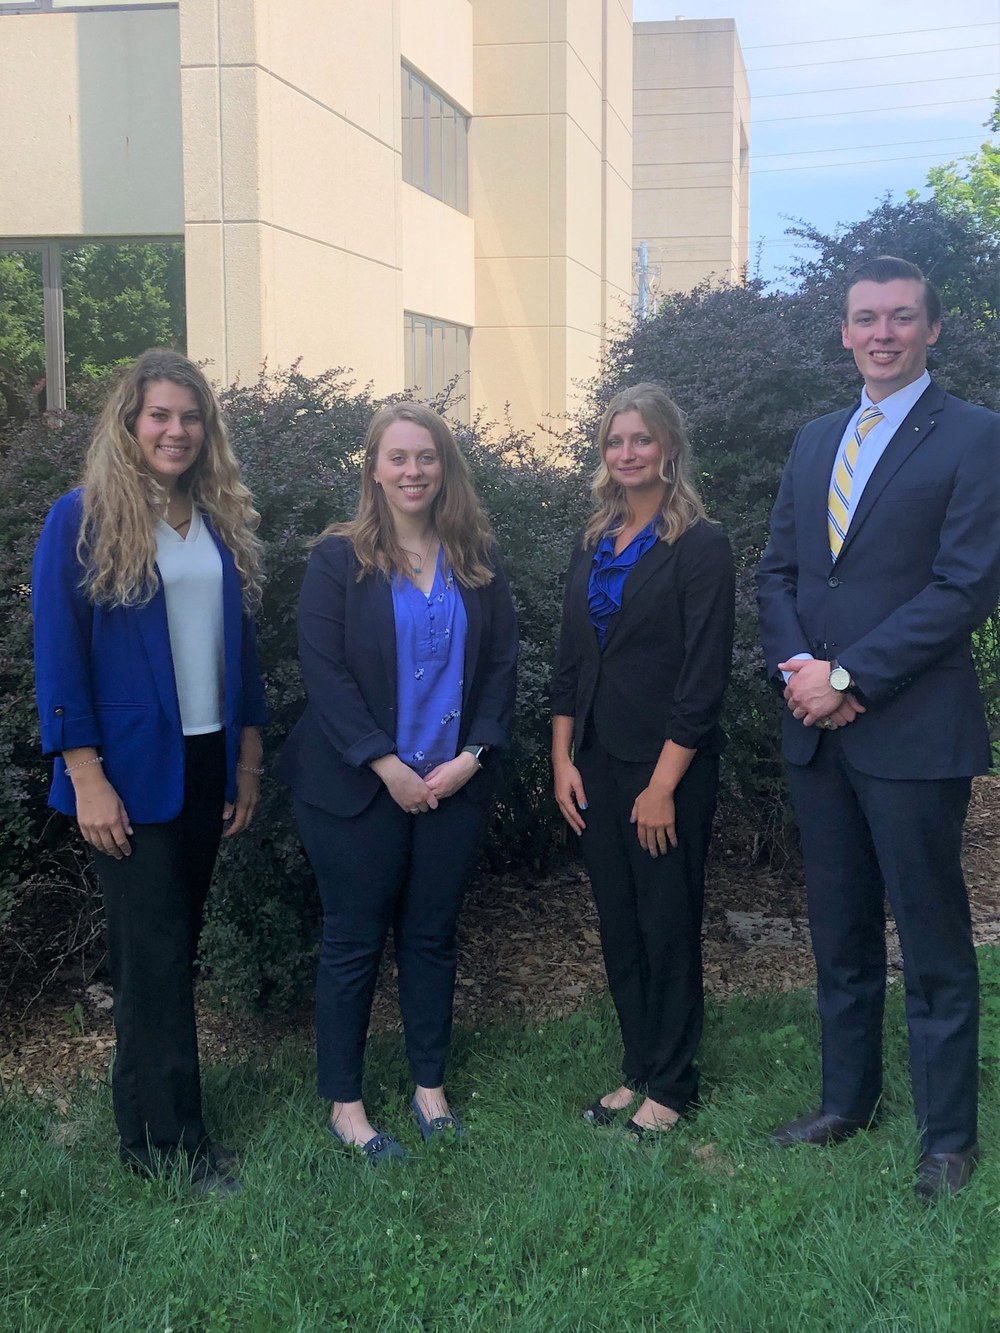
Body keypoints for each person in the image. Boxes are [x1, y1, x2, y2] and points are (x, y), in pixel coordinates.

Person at [756, 256, 1000, 1202]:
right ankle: (844, 1102)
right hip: (820, 730)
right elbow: (778, 571)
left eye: (902, 317)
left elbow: (965, 586)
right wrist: (803, 675)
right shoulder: (819, 438)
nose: (883, 333)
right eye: (867, 318)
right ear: (845, 332)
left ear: (933, 329)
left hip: (912, 733)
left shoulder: (976, 436)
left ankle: (947, 1137)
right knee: (841, 932)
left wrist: (850, 675)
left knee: (933, 942)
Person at [32, 348, 267, 1197]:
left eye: (190, 416)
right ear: (130, 423)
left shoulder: (214, 518)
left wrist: (246, 757)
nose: (176, 430)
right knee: (155, 958)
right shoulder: (83, 517)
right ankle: (174, 1149)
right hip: (126, 775)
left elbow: (240, 652)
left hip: (204, 763)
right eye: (160, 415)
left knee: (166, 956)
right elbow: (57, 654)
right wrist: (85, 774)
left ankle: (145, 1125)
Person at [277, 402, 518, 1166]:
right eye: (398, 457)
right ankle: (345, 1104)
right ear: (373, 467)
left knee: (430, 936)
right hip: (355, 788)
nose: (413, 470)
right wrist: (387, 765)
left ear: (445, 467)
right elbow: (326, 673)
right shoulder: (336, 559)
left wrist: (472, 756)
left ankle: (428, 1086)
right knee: (353, 941)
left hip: (452, 781)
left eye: (427, 457)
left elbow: (503, 665)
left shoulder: (475, 555)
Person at [551, 383, 734, 1139]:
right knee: (620, 922)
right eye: (615, 441)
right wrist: (561, 756)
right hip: (593, 760)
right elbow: (570, 658)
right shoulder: (594, 537)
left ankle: (673, 1081)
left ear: (669, 448)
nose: (627, 453)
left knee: (666, 919)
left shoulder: (700, 543)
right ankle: (637, 1066)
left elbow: (703, 677)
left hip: (667, 768)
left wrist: (663, 784)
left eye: (642, 440)